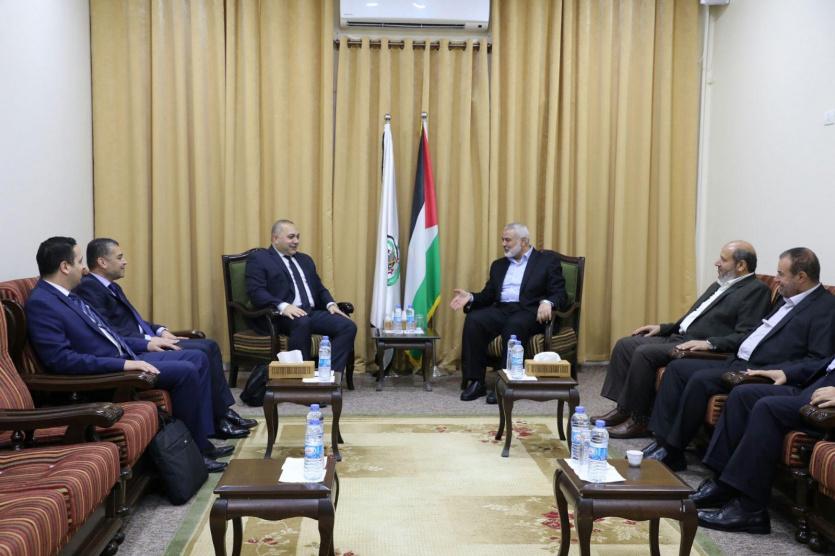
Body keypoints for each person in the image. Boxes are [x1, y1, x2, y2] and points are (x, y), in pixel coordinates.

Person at [25, 237, 230, 473]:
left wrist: (146, 344)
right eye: (79, 261)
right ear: (64, 267)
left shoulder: (69, 295)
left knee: (196, 357)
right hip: (104, 374)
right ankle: (194, 453)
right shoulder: (42, 303)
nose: (84, 268)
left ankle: (203, 442)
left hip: (124, 355)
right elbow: (61, 361)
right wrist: (124, 365)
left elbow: (109, 332)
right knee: (185, 371)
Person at [645, 247, 835, 471]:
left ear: (801, 277)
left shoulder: (825, 307)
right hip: (737, 358)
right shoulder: (788, 298)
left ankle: (674, 450)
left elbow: (818, 358)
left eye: (781, 274)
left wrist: (783, 371)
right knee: (678, 368)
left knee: (700, 380)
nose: (776, 280)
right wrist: (715, 344)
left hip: (762, 369)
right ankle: (662, 440)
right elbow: (758, 332)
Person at [74, 238, 256, 439]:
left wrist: (160, 331)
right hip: (136, 349)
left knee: (209, 346)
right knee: (200, 353)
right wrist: (148, 342)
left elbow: (134, 321)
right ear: (102, 262)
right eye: (119, 257)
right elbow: (110, 332)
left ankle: (222, 414)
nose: (125, 261)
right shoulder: (89, 289)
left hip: (146, 340)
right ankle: (216, 421)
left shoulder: (111, 287)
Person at [594, 241, 771, 438]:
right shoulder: (720, 285)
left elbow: (745, 335)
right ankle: (624, 409)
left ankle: (640, 420)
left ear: (741, 265)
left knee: (645, 353)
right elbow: (691, 318)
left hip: (697, 346)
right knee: (625, 344)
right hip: (679, 336)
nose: (716, 263)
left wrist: (709, 343)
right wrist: (663, 328)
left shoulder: (756, 290)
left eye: (723, 259)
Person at [691, 355, 835, 533]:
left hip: (826, 406)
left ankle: (750, 509)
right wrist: (785, 373)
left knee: (768, 408)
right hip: (814, 388)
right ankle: (723, 486)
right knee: (743, 394)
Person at [450, 223, 567, 403]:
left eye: (508, 240)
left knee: (514, 325)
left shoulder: (546, 262)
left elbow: (560, 293)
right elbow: (488, 295)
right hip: (502, 309)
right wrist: (471, 297)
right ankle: (476, 381)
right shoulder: (498, 265)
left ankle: (505, 383)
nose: (503, 244)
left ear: (524, 241)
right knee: (474, 320)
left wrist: (547, 302)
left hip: (530, 311)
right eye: (502, 240)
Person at [245, 219, 357, 372]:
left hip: (310, 312)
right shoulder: (260, 259)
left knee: (347, 326)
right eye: (291, 237)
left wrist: (330, 304)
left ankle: (330, 376)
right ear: (275, 238)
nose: (296, 241)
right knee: (302, 322)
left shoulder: (305, 260)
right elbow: (256, 292)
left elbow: (319, 288)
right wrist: (283, 306)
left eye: (297, 237)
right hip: (279, 316)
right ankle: (302, 377)